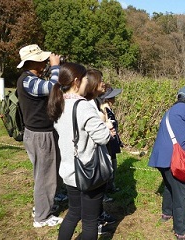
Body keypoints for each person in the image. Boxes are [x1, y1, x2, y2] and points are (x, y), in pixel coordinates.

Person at [47, 62, 115, 239]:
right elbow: (103, 138)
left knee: (73, 213)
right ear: (77, 81)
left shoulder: (58, 102)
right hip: (88, 171)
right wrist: (106, 127)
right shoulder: (83, 106)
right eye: (85, 79)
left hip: (69, 170)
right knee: (90, 220)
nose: (87, 82)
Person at [148, 86, 185, 239]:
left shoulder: (171, 110)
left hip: (161, 157)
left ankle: (167, 213)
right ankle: (181, 230)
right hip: (175, 158)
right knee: (180, 192)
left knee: (169, 184)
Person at [16, 44, 64, 227]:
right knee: (45, 176)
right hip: (40, 136)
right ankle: (42, 217)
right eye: (42, 60)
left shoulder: (32, 78)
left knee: (49, 172)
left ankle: (46, 202)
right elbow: (52, 87)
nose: (45, 61)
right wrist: (55, 67)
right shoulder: (28, 80)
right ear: (33, 62)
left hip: (42, 133)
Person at [85, 69, 118, 234]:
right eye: (100, 81)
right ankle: (95, 222)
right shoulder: (86, 104)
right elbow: (98, 133)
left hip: (100, 152)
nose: (103, 83)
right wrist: (107, 127)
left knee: (99, 188)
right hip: (92, 155)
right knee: (92, 193)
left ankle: (100, 214)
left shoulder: (95, 101)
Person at [98, 85, 123, 194]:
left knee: (113, 163)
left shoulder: (108, 109)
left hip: (112, 140)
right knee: (110, 165)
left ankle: (110, 186)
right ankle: (106, 189)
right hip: (108, 141)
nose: (115, 99)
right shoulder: (105, 110)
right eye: (113, 97)